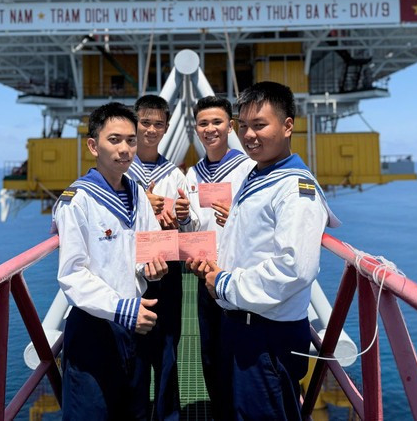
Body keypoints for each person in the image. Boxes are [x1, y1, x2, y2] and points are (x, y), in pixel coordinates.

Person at [195, 81, 341, 420]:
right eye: (244, 126)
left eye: (260, 125)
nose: (249, 135)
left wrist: (225, 283)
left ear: (287, 126)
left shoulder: (295, 189)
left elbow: (295, 268)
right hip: (243, 325)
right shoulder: (260, 175)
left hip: (265, 336)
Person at [53, 102, 169, 419]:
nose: (125, 149)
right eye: (114, 140)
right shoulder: (77, 201)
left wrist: (150, 268)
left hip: (134, 325)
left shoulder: (136, 194)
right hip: (95, 326)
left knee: (135, 412)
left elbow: (147, 245)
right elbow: (72, 274)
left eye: (131, 140)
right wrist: (122, 308)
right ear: (94, 146)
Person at [183, 95, 254, 421]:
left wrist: (238, 217)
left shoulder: (248, 168)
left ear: (230, 126)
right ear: (195, 128)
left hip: (238, 276)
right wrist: (182, 217)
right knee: (209, 352)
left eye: (217, 122)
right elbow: (192, 228)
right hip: (205, 275)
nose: (210, 128)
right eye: (203, 123)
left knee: (240, 354)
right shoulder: (192, 175)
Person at [127, 94, 189, 421]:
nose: (151, 130)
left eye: (158, 124)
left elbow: (186, 223)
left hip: (166, 268)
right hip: (130, 270)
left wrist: (180, 217)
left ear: (166, 129)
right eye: (145, 123)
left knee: (168, 346)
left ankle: (168, 414)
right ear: (135, 124)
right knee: (134, 349)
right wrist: (141, 203)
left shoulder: (174, 175)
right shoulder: (121, 169)